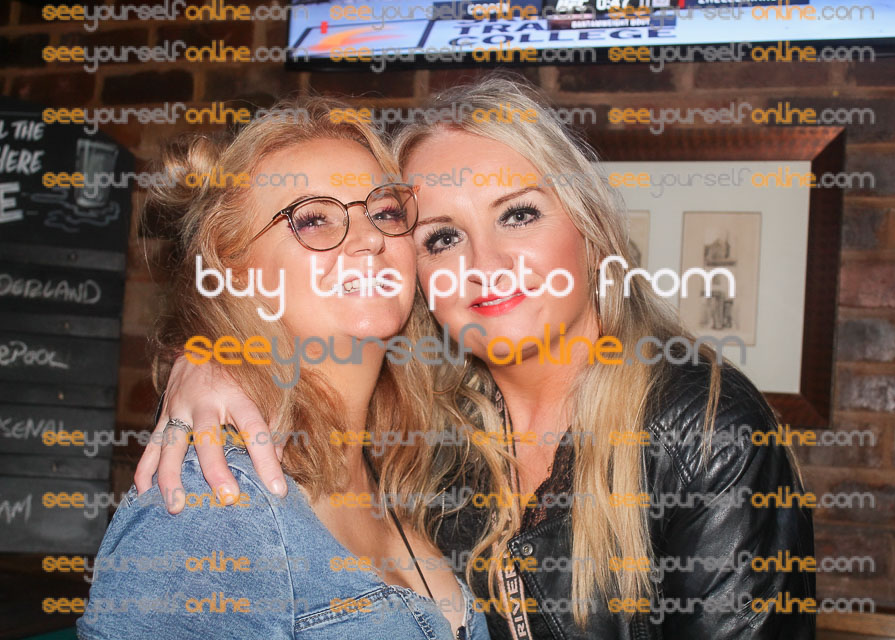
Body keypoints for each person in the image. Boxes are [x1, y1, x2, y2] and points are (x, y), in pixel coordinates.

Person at [135, 76, 816, 639]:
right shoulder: (423, 436)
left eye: (517, 214)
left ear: (590, 227)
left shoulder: (702, 432)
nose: (484, 264)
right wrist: (210, 355)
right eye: (441, 238)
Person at [77, 95, 490, 640]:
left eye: (385, 212)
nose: (370, 238)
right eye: (313, 219)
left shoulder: (410, 461)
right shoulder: (214, 503)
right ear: (232, 268)